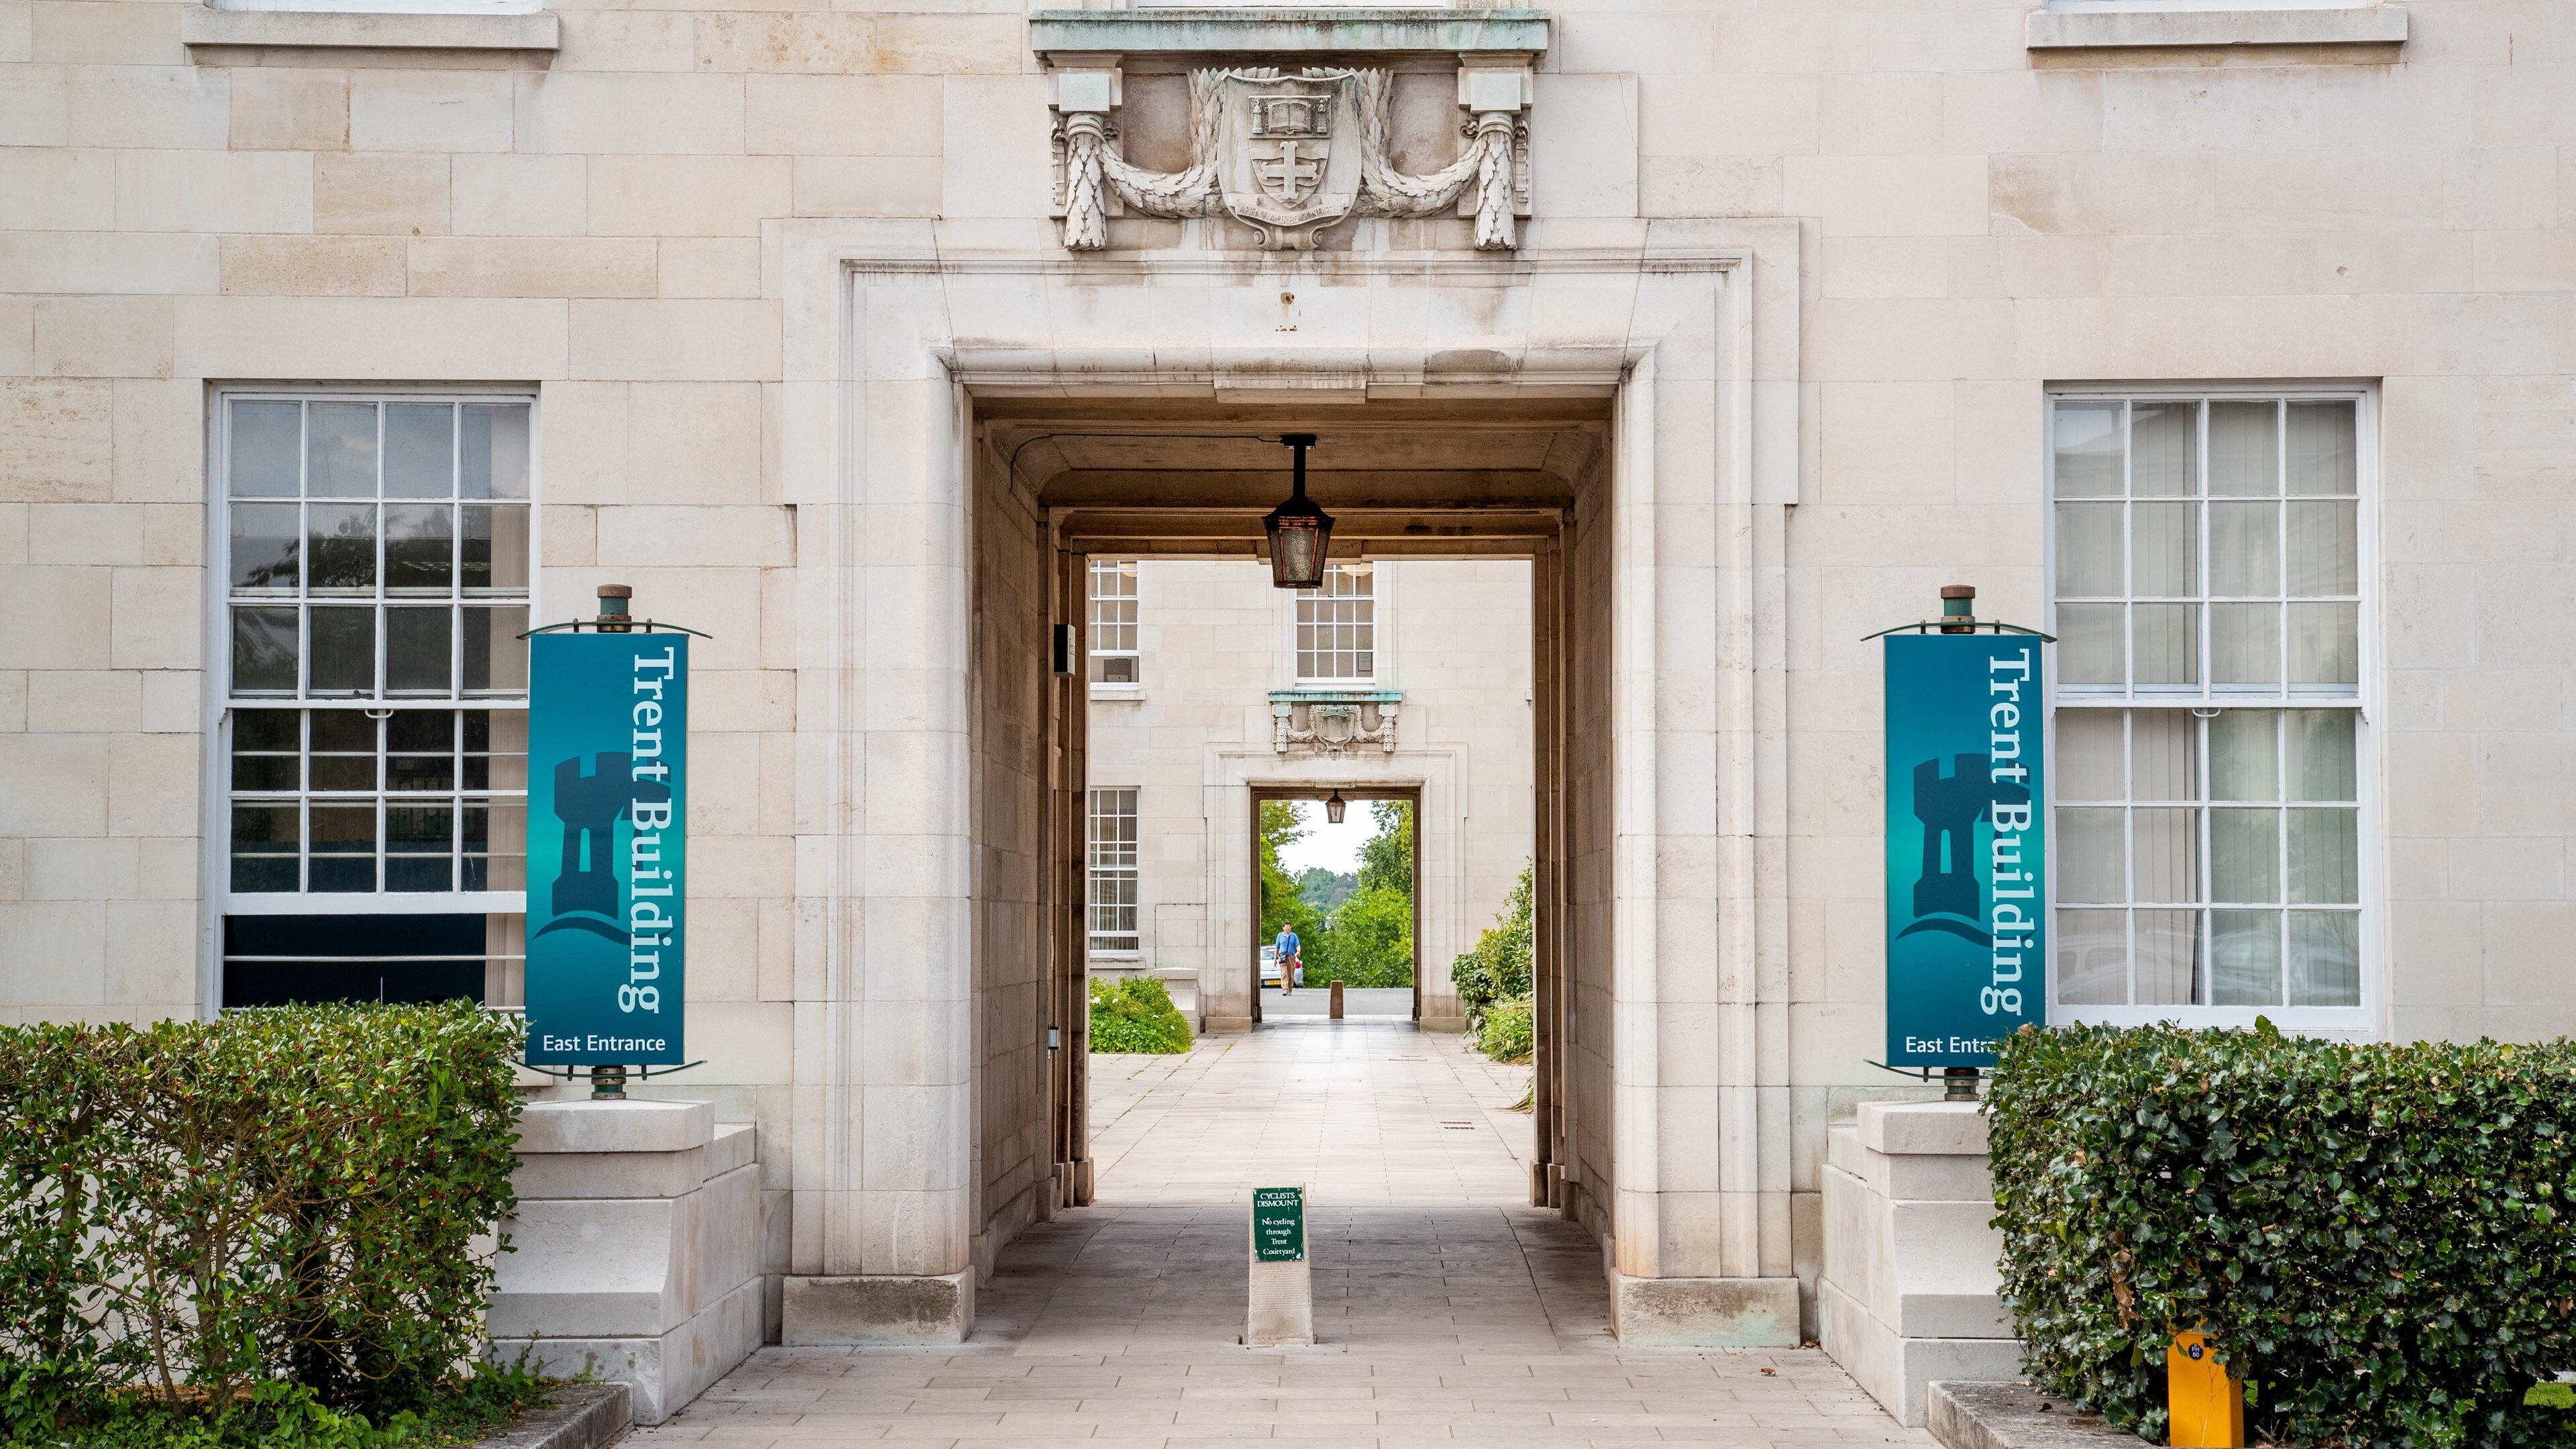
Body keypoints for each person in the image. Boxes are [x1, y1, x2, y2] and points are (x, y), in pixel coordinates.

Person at [1273, 923, 1301, 996]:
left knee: (1291, 974)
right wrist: (1275, 958)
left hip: (1291, 957)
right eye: (1286, 927)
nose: (1288, 928)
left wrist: (1298, 951)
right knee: (1284, 973)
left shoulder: (1294, 936)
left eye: (1289, 926)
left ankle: (1290, 989)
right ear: (1283, 928)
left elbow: (1297, 945)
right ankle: (1285, 989)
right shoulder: (1280, 936)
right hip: (1282, 957)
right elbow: (1277, 947)